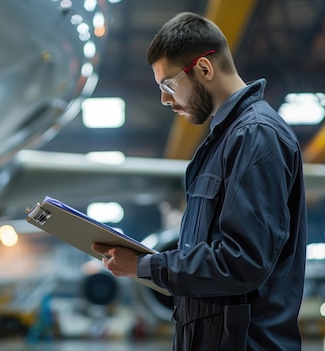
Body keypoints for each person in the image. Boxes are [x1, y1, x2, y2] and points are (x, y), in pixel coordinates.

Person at [92, 12, 307, 351]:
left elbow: (242, 260)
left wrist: (147, 266)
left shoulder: (255, 135)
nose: (164, 99)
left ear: (204, 69)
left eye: (168, 85)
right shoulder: (221, 143)